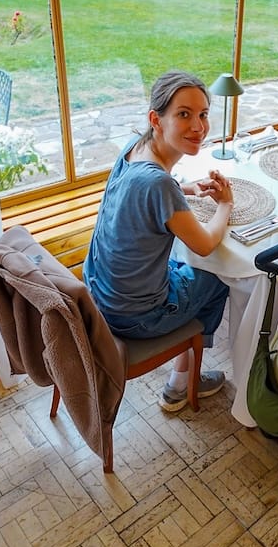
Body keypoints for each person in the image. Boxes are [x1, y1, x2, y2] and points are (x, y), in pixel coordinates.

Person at [83, 70, 234, 412]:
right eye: (184, 114)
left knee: (181, 265)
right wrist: (225, 203)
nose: (199, 126)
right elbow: (206, 244)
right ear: (157, 119)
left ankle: (184, 373)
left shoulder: (134, 148)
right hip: (134, 316)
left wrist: (187, 189)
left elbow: (150, 190)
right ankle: (181, 383)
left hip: (100, 293)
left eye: (203, 114)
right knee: (218, 279)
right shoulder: (159, 185)